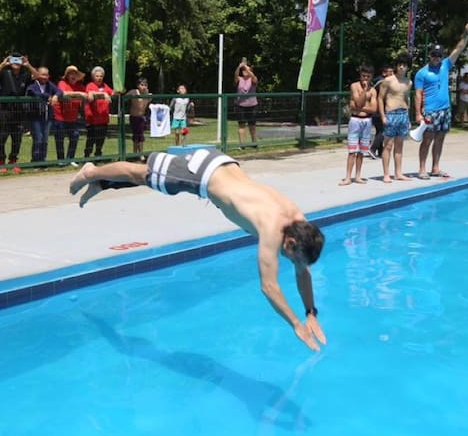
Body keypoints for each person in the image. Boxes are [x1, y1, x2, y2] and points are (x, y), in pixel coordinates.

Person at [68, 148, 327, 351]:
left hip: (224, 164)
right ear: (290, 243)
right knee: (141, 173)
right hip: (200, 174)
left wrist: (310, 312)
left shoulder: (299, 220)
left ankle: (101, 184)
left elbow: (302, 271)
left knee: (156, 181)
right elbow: (269, 287)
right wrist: (296, 324)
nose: (292, 262)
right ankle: (92, 172)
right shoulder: (272, 229)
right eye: (291, 257)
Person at [413, 23, 468, 179]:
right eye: (434, 55)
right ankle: (422, 169)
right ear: (430, 55)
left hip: (445, 110)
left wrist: (466, 35)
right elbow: (418, 94)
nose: (437, 58)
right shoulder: (422, 73)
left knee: (440, 139)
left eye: (439, 55)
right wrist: (418, 114)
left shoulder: (445, 65)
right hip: (430, 111)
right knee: (427, 140)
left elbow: (458, 49)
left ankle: (435, 168)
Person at [0, 54, 37, 173]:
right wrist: (3, 64)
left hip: (19, 110)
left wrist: (28, 65)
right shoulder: (4, 72)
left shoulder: (25, 74)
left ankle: (13, 159)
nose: (15, 62)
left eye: (18, 60)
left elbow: (37, 76)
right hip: (4, 109)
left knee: (17, 137)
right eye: (13, 59)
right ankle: (0, 161)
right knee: (1, 136)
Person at [378, 53, 413, 182]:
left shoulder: (409, 82)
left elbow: (406, 99)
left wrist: (408, 118)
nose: (401, 67)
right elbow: (380, 98)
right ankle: (386, 174)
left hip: (403, 113)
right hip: (391, 113)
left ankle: (398, 173)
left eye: (404, 65)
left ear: (408, 67)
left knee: (399, 145)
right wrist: (383, 116)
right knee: (388, 145)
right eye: (399, 65)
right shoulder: (388, 80)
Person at [340, 65, 377, 186]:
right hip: (355, 120)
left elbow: (373, 109)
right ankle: (347, 177)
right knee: (352, 151)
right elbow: (358, 102)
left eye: (368, 76)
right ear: (360, 75)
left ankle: (358, 176)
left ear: (371, 77)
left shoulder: (373, 90)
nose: (365, 79)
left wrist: (359, 107)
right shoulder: (355, 86)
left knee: (362, 151)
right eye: (363, 76)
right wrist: (365, 92)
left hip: (367, 121)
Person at [25, 67, 62, 162]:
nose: (44, 77)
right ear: (37, 75)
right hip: (35, 116)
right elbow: (33, 92)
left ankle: (43, 159)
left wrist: (56, 96)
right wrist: (47, 96)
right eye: (42, 74)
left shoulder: (50, 85)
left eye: (46, 75)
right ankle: (35, 160)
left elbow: (60, 91)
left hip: (47, 116)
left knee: (45, 140)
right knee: (38, 138)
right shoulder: (32, 84)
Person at [55, 65, 87, 166]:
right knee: (59, 138)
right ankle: (61, 160)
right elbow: (63, 94)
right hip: (60, 116)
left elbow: (87, 95)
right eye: (71, 74)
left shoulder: (80, 86)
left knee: (75, 136)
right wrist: (79, 94)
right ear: (67, 76)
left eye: (75, 74)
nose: (73, 76)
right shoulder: (62, 83)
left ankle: (70, 158)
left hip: (73, 117)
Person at [84, 66, 113, 158]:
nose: (99, 78)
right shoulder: (90, 85)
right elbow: (89, 94)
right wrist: (104, 94)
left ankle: (98, 154)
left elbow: (112, 93)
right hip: (92, 120)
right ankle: (87, 156)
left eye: (101, 76)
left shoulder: (105, 86)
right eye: (97, 76)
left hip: (103, 119)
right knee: (91, 139)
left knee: (101, 140)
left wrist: (119, 89)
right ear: (93, 77)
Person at [369, 64, 393, 159]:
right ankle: (373, 149)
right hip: (379, 111)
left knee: (380, 130)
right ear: (384, 73)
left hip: (376, 111)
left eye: (392, 72)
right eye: (389, 72)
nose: (391, 74)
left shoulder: (377, 82)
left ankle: (380, 151)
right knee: (383, 131)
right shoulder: (383, 83)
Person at [234, 59, 258, 146]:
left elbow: (254, 77)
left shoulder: (253, 79)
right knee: (241, 125)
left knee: (252, 125)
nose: (244, 71)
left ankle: (254, 142)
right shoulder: (240, 79)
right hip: (241, 105)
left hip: (252, 105)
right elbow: (235, 76)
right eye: (243, 70)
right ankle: (241, 145)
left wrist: (247, 68)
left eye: (246, 70)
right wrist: (239, 67)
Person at [126, 77, 151, 160]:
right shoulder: (134, 92)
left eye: (145, 85)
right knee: (136, 136)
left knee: (141, 136)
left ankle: (140, 153)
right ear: (138, 85)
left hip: (141, 117)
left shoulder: (147, 94)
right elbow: (126, 97)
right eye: (142, 85)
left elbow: (147, 103)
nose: (143, 87)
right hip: (134, 117)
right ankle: (135, 153)